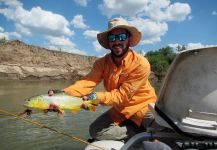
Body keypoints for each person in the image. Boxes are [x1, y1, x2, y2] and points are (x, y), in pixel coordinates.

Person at [51, 17, 157, 142]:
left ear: (129, 38)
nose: (117, 41)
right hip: (120, 110)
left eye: (122, 37)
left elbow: (122, 96)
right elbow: (87, 83)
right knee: (96, 131)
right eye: (112, 38)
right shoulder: (101, 63)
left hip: (144, 107)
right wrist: (62, 94)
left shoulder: (141, 63)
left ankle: (144, 131)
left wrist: (95, 97)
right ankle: (138, 132)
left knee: (160, 132)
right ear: (108, 42)